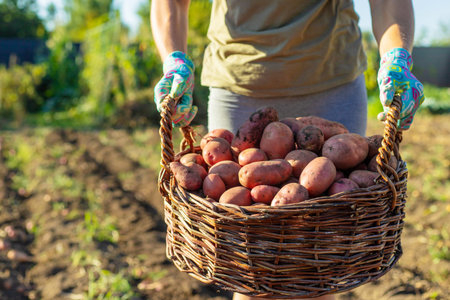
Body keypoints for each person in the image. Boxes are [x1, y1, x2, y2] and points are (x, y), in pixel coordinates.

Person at [151, 1, 424, 299]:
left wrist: (397, 55)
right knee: (248, 267)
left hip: (331, 79)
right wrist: (174, 59)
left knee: (320, 263)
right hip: (240, 83)